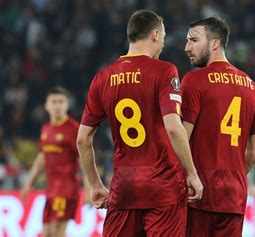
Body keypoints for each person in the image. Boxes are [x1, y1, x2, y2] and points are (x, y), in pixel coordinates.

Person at [76, 10, 203, 237]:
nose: (163, 44)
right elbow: (174, 127)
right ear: (155, 35)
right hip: (164, 187)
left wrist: (95, 184)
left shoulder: (102, 78)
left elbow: (83, 139)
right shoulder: (164, 71)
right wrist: (192, 173)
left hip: (124, 187)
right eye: (163, 37)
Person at [181, 17, 255, 237]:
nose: (187, 47)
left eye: (193, 40)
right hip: (234, 194)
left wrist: (189, 175)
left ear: (214, 43)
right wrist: (233, 175)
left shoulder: (194, 81)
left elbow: (180, 137)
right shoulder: (251, 86)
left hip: (197, 194)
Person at [20, 87, 83, 237]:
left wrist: (90, 186)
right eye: (54, 102)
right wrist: (28, 184)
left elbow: (84, 158)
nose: (57, 105)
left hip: (66, 190)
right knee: (47, 233)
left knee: (57, 231)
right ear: (46, 106)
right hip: (51, 190)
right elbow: (42, 158)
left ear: (67, 105)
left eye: (61, 101)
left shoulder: (74, 129)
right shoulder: (46, 129)